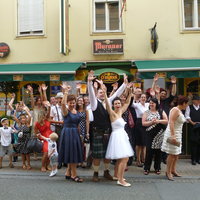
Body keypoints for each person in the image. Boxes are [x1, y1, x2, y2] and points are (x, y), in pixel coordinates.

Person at [87, 71, 128, 182]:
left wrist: (124, 84)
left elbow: (117, 94)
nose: (101, 93)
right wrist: (89, 83)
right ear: (97, 94)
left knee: (107, 155)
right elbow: (91, 94)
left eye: (103, 91)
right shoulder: (94, 103)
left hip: (108, 132)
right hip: (97, 132)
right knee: (96, 156)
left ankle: (106, 172)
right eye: (99, 92)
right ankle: (95, 173)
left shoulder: (109, 101)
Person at [103, 82, 134, 187]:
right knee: (124, 158)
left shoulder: (121, 111)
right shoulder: (112, 113)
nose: (117, 105)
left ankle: (117, 175)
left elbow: (128, 102)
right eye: (115, 103)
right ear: (113, 105)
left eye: (118, 103)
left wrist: (129, 91)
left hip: (122, 136)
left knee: (122, 158)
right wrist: (104, 91)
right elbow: (107, 103)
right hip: (117, 137)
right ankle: (120, 180)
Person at [58, 82, 84, 183]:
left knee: (72, 153)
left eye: (73, 102)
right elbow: (63, 103)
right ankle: (74, 175)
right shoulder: (65, 111)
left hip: (75, 133)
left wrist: (77, 90)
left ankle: (68, 172)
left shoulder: (76, 111)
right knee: (72, 154)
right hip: (68, 132)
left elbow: (78, 124)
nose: (72, 104)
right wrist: (66, 92)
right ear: (68, 103)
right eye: (71, 103)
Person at [161, 96, 188, 181]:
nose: (187, 106)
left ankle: (173, 170)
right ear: (183, 103)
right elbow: (171, 122)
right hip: (173, 133)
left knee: (176, 154)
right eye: (186, 104)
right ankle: (168, 172)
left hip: (178, 133)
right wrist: (173, 135)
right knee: (172, 154)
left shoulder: (179, 110)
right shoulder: (175, 110)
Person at [142, 98, 168, 175]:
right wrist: (151, 122)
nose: (151, 104)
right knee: (149, 151)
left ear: (156, 104)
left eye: (153, 103)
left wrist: (158, 121)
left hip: (160, 134)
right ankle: (146, 168)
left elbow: (166, 120)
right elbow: (143, 123)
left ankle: (157, 168)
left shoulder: (161, 111)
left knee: (158, 152)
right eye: (150, 103)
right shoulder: (146, 112)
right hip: (149, 134)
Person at [132, 93, 149, 167]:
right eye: (142, 97)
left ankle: (144, 159)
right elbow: (131, 103)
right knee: (139, 144)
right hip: (139, 123)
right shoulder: (137, 105)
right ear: (139, 98)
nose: (143, 98)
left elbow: (157, 102)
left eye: (144, 97)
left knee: (145, 143)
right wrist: (132, 93)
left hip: (146, 123)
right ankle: (138, 160)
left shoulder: (148, 105)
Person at [35, 106, 52, 172]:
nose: (44, 117)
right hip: (44, 139)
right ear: (40, 116)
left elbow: (49, 114)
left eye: (44, 115)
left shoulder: (47, 120)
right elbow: (36, 134)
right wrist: (41, 138)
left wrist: (49, 107)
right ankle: (42, 166)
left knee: (50, 153)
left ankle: (47, 165)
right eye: (43, 116)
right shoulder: (37, 124)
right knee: (46, 153)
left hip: (51, 138)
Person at [185, 95, 200, 165]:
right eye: (197, 100)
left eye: (199, 100)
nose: (198, 102)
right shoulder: (189, 107)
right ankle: (193, 159)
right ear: (193, 101)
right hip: (193, 127)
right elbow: (187, 116)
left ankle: (198, 159)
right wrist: (193, 123)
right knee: (194, 143)